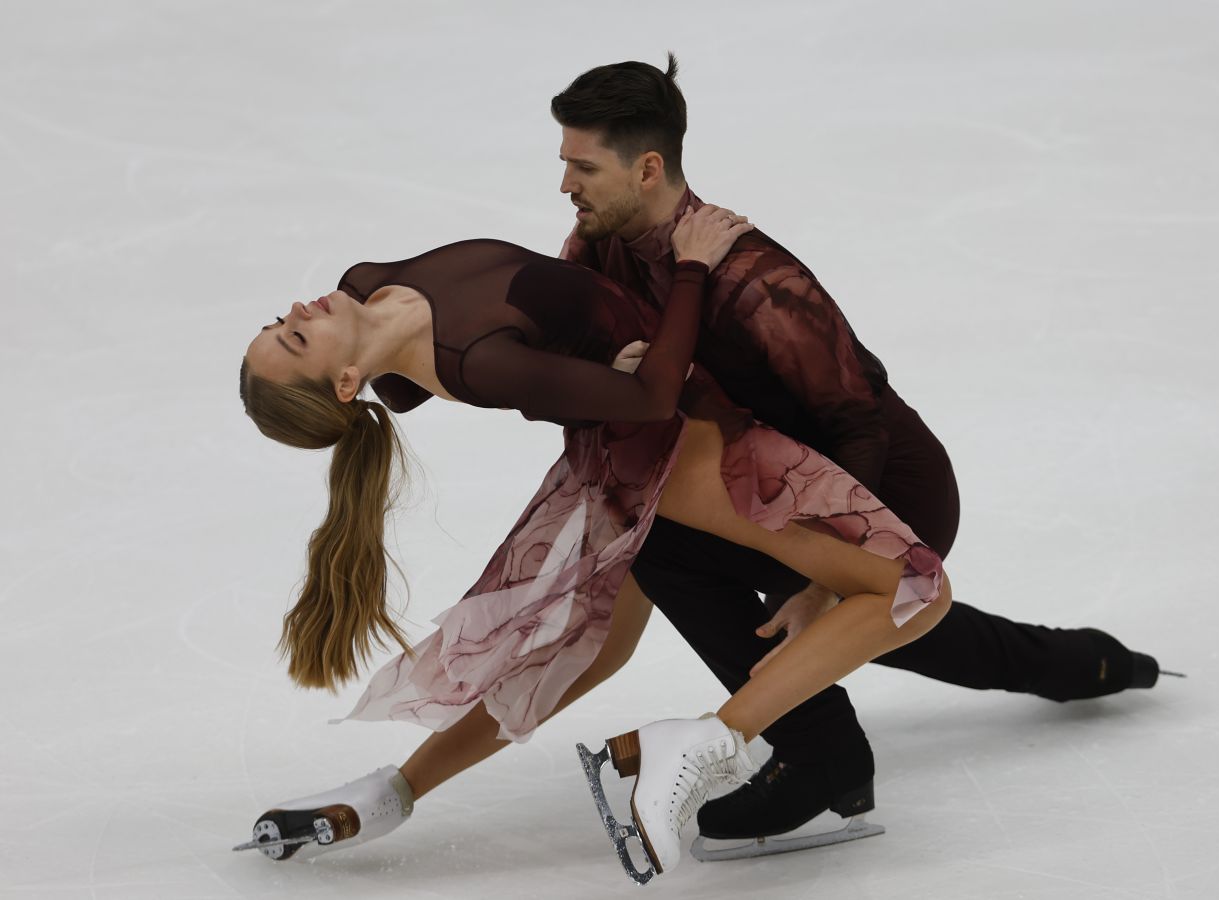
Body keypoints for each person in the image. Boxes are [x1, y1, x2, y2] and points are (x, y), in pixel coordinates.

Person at [551, 54, 1167, 848]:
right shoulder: (600, 247)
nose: (565, 184)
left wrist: (821, 584)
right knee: (673, 545)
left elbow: (858, 424)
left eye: (582, 167)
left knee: (834, 612)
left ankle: (821, 756)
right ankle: (1086, 663)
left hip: (882, 488)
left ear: (646, 168)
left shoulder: (756, 280)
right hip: (769, 494)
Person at [235, 204, 954, 879]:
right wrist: (691, 267)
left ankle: (395, 792)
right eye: (295, 339)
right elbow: (649, 397)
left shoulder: (366, 288)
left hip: (617, 447)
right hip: (685, 447)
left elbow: (415, 379)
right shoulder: (471, 359)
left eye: (278, 322)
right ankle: (709, 740)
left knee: (590, 643)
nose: (297, 310)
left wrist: (576, 360)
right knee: (913, 589)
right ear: (346, 381)